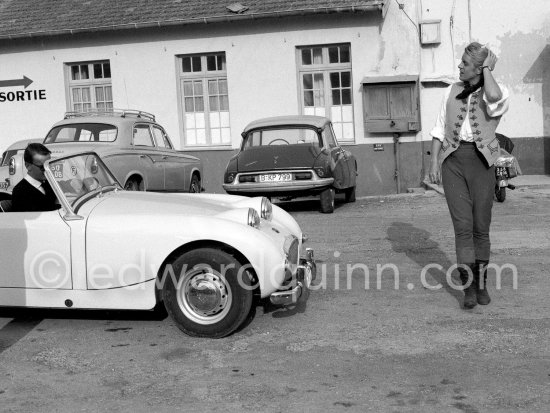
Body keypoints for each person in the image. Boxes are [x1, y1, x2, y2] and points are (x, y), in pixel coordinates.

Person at [429, 42, 509, 309]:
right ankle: (469, 289)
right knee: (462, 227)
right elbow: (439, 128)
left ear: (478, 68)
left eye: (465, 63)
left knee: (480, 227)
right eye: (461, 62)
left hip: (482, 161)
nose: (459, 66)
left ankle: (482, 283)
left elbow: (495, 97)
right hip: (453, 161)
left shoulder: (497, 91)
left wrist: (487, 69)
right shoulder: (450, 92)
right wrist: (433, 162)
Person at [12, 143, 59, 212]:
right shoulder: (20, 192)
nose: (48, 169)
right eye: (42, 167)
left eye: (49, 165)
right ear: (28, 166)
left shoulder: (48, 184)